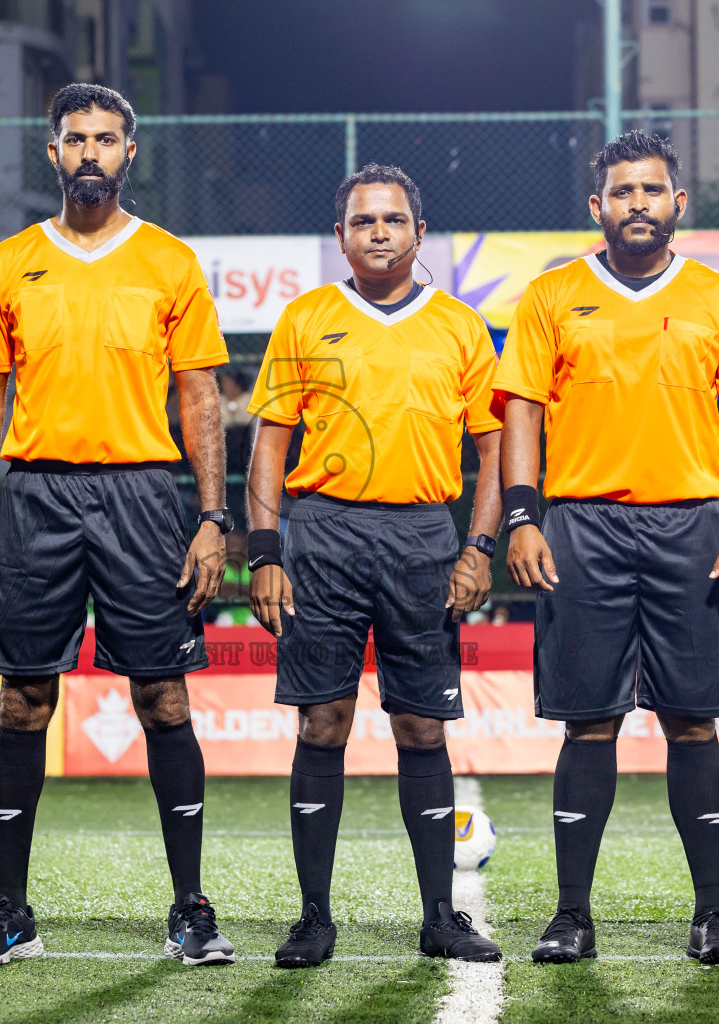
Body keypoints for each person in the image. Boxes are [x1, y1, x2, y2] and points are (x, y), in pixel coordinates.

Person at [0, 83, 234, 968]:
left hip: (144, 496)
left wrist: (213, 517)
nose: (89, 152)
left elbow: (200, 396)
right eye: (75, 138)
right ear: (53, 152)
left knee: (164, 697)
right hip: (36, 497)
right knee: (23, 700)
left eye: (106, 140)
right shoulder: (10, 261)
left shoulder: (170, 261)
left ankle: (190, 907)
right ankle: (10, 910)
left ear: (128, 153)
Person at [494, 130, 719, 966]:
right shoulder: (552, 294)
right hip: (582, 527)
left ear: (677, 203)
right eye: (623, 192)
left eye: (652, 190)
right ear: (599, 206)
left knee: (694, 724)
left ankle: (714, 916)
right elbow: (521, 411)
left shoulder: (718, 298)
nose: (638, 204)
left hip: (692, 528)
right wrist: (521, 516)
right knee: (589, 724)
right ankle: (571, 917)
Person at [247, 164, 504, 969]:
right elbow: (269, 443)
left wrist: (479, 547)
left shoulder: (460, 327)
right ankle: (313, 918)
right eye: (364, 221)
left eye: (394, 220)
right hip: (323, 534)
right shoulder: (305, 318)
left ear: (419, 233)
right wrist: (264, 551)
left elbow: (494, 449)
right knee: (322, 723)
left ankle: (440, 918)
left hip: (424, 535)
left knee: (421, 726)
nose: (380, 232)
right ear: (341, 237)